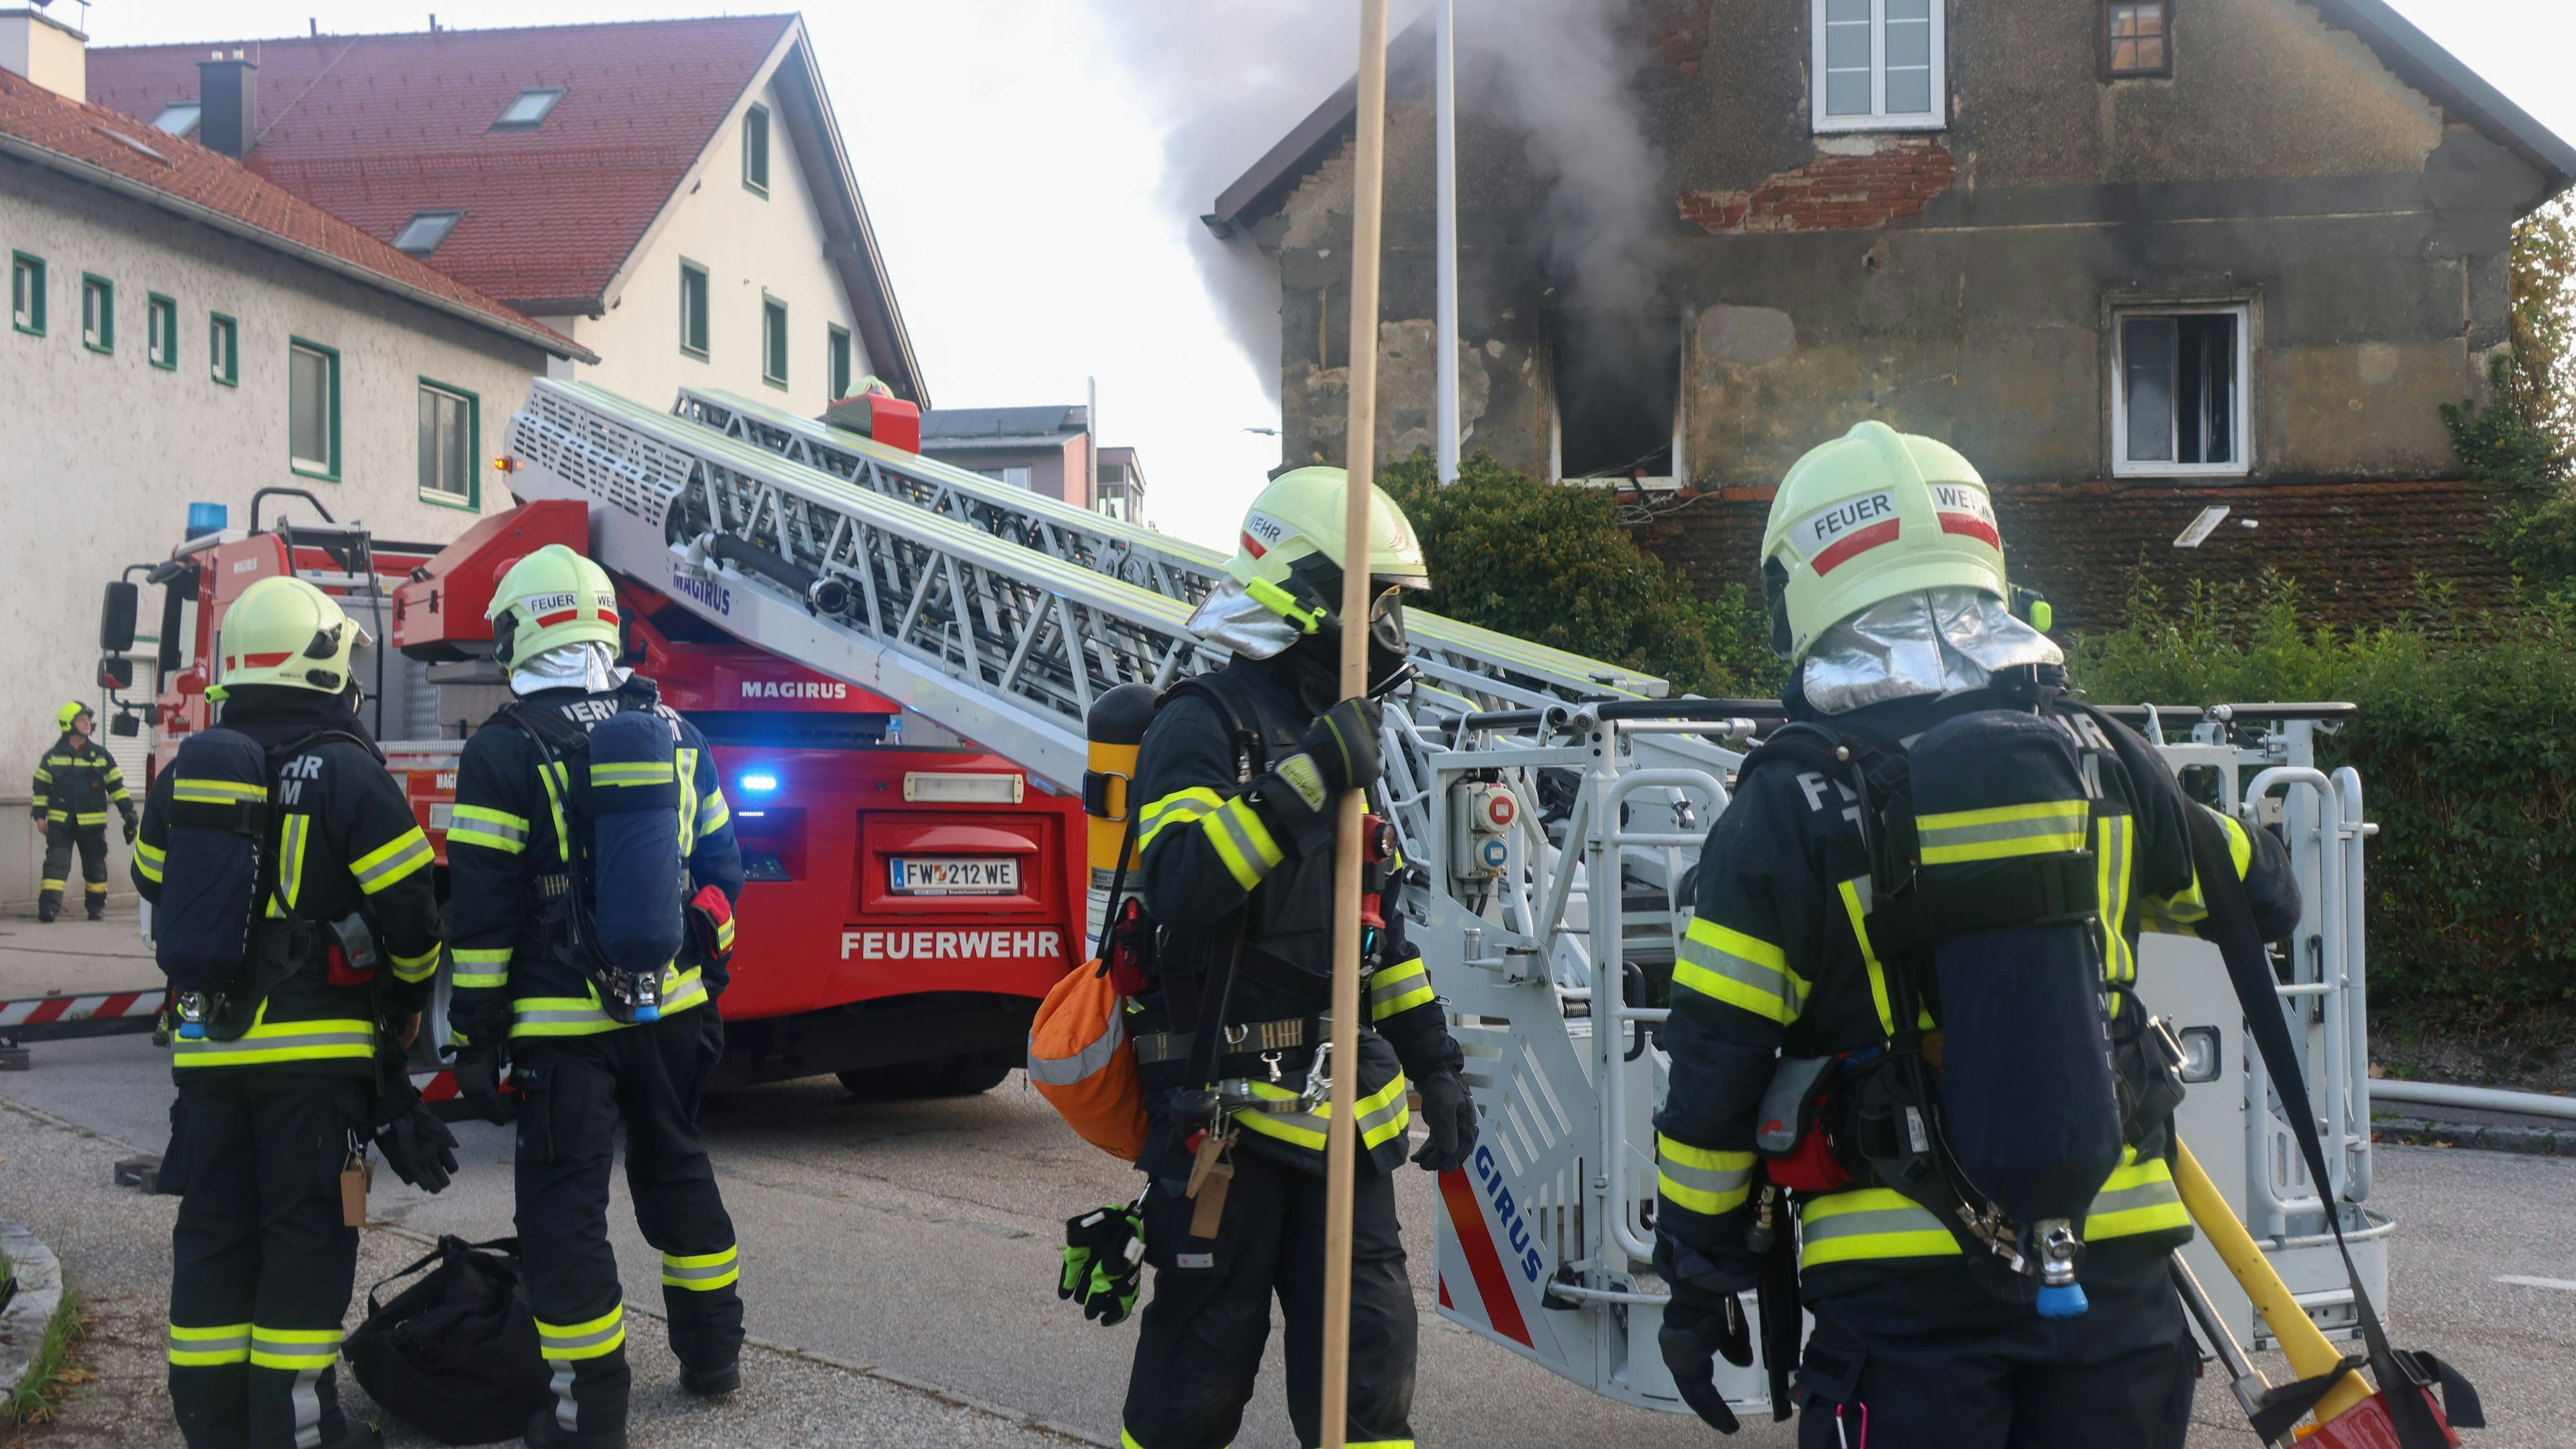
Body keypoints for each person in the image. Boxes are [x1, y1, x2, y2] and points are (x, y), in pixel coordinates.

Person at [1651, 421, 2303, 1448]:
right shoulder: (2099, 758)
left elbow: (1714, 1064)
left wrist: (1697, 1271)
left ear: (1803, 587)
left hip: (1903, 1295)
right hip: (2118, 1274)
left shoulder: (1789, 804)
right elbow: (2265, 898)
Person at [1114, 467, 1479, 1449]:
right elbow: (1186, 886)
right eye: (1378, 600)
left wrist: (1437, 1065)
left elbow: (1379, 943)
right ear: (1309, 592)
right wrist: (1310, 775)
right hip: (1224, 1130)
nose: (1391, 625)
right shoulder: (1204, 725)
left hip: (1347, 1134)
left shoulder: (1351, 738)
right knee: (1193, 1391)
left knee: (1368, 1393)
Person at [445, 544, 746, 1449]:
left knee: (564, 1212)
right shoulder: (677, 737)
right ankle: (713, 1359)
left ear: (521, 630)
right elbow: (725, 873)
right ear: (606, 626)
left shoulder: (500, 752)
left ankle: (588, 1414)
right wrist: (704, 974)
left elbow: (485, 917)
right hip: (672, 1014)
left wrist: (477, 1035)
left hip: (560, 1035)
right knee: (678, 1170)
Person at [132, 576, 444, 1449]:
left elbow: (153, 882)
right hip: (317, 1077)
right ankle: (301, 1433)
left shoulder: (189, 768)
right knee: (313, 1242)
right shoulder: (349, 770)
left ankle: (214, 1428)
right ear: (324, 662)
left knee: (216, 1241)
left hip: (206, 1062)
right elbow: (411, 908)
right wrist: (409, 1000)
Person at [32, 699, 135, 921]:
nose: (87, 724)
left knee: (96, 868)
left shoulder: (100, 756)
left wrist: (129, 812)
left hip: (93, 825)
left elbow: (116, 787)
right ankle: (48, 908)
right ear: (68, 724)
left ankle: (96, 907)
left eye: (88, 720)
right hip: (61, 824)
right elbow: (41, 789)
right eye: (82, 720)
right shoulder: (52, 757)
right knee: (56, 866)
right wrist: (40, 816)